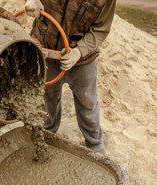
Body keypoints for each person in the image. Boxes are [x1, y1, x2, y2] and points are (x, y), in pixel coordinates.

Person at [24, 0, 117, 155]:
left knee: (87, 102)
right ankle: (47, 135)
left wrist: (79, 51)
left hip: (82, 59)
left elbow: (101, 29)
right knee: (48, 99)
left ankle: (94, 143)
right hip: (46, 51)